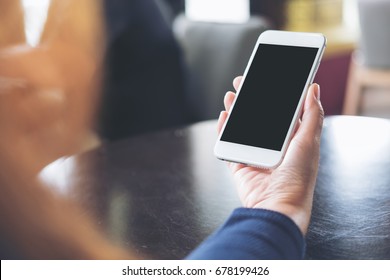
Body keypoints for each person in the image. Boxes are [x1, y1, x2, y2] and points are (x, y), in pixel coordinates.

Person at [0, 0, 324, 259]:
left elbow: (71, 61)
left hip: (155, 136)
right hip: (131, 135)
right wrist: (280, 208)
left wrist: (278, 203)